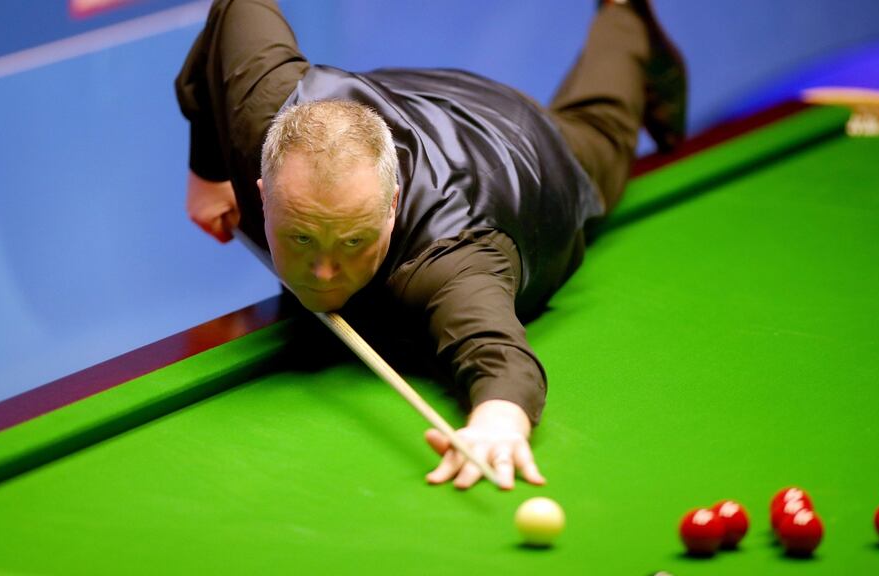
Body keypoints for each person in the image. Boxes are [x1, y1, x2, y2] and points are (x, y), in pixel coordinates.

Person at [175, 0, 686, 490]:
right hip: (408, 102)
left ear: (392, 204)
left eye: (354, 241)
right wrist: (209, 170)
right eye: (302, 237)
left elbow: (498, 356)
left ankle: (624, 15)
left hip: (517, 143)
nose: (324, 271)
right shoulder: (262, 113)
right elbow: (237, 7)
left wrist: (497, 420)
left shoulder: (448, 262)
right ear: (262, 191)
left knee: (601, 127)